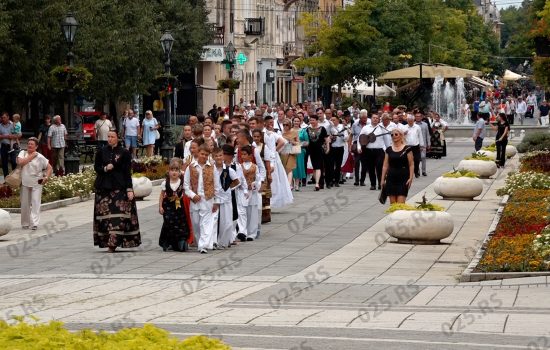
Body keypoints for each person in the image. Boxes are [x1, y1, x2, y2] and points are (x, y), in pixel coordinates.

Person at [93, 131, 141, 253]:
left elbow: (127, 172)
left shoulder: (124, 153)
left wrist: (129, 189)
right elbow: (97, 168)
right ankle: (107, 240)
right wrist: (105, 168)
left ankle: (113, 244)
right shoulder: (101, 151)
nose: (110, 139)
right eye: (108, 137)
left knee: (119, 216)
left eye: (112, 137)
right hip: (104, 188)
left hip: (120, 187)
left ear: (117, 138)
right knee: (105, 218)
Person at [184, 144, 217, 254]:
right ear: (198, 153)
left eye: (206, 155)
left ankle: (203, 245)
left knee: (205, 223)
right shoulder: (191, 167)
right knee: (196, 224)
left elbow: (217, 185)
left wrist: (216, 201)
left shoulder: (212, 167)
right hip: (195, 200)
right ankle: (200, 242)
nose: (204, 156)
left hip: (208, 199)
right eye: (202, 154)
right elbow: (186, 185)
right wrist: (193, 195)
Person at [17, 137, 52, 230]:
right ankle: (25, 223)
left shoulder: (40, 156)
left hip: (37, 182)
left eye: (32, 144)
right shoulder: (22, 153)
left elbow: (49, 168)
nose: (29, 145)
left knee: (36, 202)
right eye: (28, 144)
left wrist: (46, 177)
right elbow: (20, 163)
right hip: (25, 181)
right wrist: (31, 156)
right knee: (25, 203)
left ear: (36, 146)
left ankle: (34, 223)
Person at [158, 157, 192, 252]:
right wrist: (160, 207)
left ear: (179, 172)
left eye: (176, 170)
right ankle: (167, 242)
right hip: (168, 206)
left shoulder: (182, 182)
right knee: (168, 223)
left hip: (179, 206)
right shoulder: (165, 183)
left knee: (181, 223)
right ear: (168, 172)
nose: (174, 172)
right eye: (172, 170)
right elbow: (161, 196)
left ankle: (181, 240)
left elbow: (187, 191)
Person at [381, 128, 414, 204]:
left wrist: (411, 178)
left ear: (401, 135)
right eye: (392, 135)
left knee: (400, 205)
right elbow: (385, 166)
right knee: (393, 205)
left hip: (403, 178)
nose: (394, 136)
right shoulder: (388, 149)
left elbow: (411, 164)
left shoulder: (407, 149)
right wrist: (382, 179)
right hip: (391, 178)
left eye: (396, 134)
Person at [358, 114, 390, 190]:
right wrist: (359, 147)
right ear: (371, 119)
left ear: (379, 119)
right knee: (371, 168)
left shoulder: (382, 128)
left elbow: (386, 140)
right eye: (374, 118)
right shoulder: (365, 128)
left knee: (379, 167)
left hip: (379, 151)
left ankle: (380, 183)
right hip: (369, 151)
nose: (375, 119)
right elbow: (360, 138)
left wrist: (388, 151)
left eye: (377, 118)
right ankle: (373, 184)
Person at [239, 145, 261, 241]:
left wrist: (255, 184)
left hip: (252, 192)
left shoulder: (255, 167)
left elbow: (258, 179)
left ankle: (252, 233)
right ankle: (243, 231)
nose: (243, 156)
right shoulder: (239, 166)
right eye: (242, 154)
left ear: (250, 155)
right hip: (242, 192)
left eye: (245, 154)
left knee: (252, 212)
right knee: (243, 212)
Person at [306, 114, 329, 191]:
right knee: (314, 167)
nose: (311, 121)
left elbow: (326, 139)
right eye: (310, 120)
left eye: (313, 120)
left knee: (318, 166)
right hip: (311, 150)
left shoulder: (322, 129)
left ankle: (317, 183)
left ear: (317, 120)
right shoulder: (307, 129)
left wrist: (328, 148)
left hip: (320, 149)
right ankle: (317, 182)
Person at [351, 111, 369, 186]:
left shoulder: (369, 124)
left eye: (366, 118)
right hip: (356, 144)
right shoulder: (355, 124)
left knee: (364, 163)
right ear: (360, 118)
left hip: (365, 144)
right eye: (363, 118)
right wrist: (350, 146)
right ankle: (357, 180)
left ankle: (362, 180)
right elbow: (351, 135)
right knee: (357, 162)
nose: (365, 119)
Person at [329, 115, 347, 187]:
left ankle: (337, 180)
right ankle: (331, 180)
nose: (333, 121)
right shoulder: (329, 127)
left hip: (340, 147)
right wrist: (331, 137)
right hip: (332, 147)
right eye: (332, 120)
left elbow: (346, 138)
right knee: (331, 164)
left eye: (334, 120)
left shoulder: (342, 127)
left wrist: (341, 135)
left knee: (338, 165)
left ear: (337, 120)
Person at [280, 119, 298, 189]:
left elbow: (298, 142)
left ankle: (289, 185)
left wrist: (292, 141)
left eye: (286, 125)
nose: (285, 126)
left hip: (292, 151)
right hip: (283, 152)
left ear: (290, 125)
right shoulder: (281, 132)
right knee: (284, 168)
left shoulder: (294, 132)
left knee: (289, 168)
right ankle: (287, 184)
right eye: (283, 125)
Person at [291, 116, 307, 191]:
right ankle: (291, 184)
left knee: (298, 167)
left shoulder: (303, 131)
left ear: (300, 122)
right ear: (292, 122)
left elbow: (307, 142)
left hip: (299, 151)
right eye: (295, 121)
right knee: (291, 167)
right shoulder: (289, 130)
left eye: (298, 121)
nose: (296, 122)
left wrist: (300, 144)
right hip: (290, 150)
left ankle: (297, 184)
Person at [415, 112, 430, 176]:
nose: (418, 117)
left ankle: (424, 171)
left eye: (419, 116)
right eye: (416, 116)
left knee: (423, 157)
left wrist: (429, 143)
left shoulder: (425, 124)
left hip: (423, 144)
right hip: (415, 144)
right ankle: (417, 170)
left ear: (421, 117)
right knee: (417, 158)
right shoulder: (413, 124)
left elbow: (427, 134)